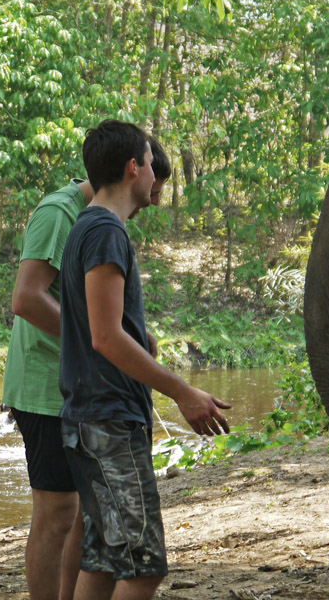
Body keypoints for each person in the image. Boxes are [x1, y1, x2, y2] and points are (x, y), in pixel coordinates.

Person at [58, 120, 230, 600]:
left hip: (88, 419)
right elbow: (105, 338)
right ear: (134, 168)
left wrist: (140, 335)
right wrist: (182, 391)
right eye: (152, 165)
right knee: (143, 566)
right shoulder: (106, 232)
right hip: (108, 422)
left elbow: (106, 327)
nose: (156, 176)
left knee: (104, 559)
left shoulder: (87, 227)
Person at [3, 136, 173, 600]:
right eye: (154, 188)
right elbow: (27, 298)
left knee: (91, 523)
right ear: (132, 169)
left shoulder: (99, 223)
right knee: (58, 513)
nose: (150, 204)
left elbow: (99, 316)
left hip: (81, 383)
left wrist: (124, 337)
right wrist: (99, 338)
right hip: (45, 383)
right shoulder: (65, 214)